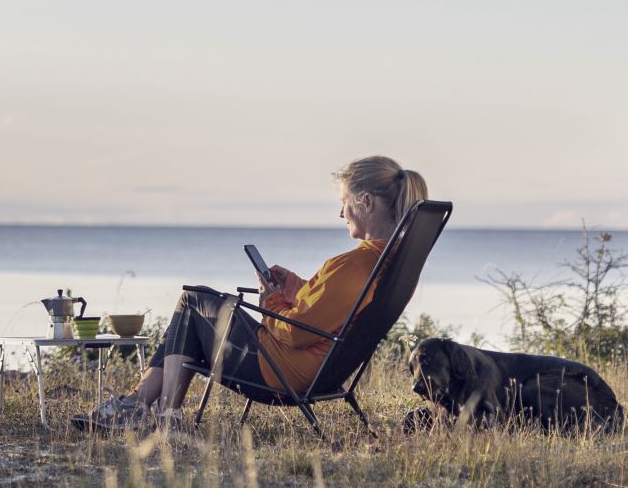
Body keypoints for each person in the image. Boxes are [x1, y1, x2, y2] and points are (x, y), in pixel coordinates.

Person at [74, 156, 429, 430]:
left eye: (344, 201)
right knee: (194, 316)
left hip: (280, 372)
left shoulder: (352, 265)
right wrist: (292, 286)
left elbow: (296, 332)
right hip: (320, 372)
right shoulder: (388, 264)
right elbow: (328, 311)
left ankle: (158, 414)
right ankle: (138, 406)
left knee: (193, 301)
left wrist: (269, 299)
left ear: (365, 201)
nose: (341, 212)